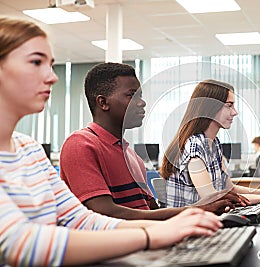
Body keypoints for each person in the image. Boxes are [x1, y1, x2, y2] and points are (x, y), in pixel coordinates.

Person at [0, 17, 222, 266]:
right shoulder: (80, 144)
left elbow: (82, 220)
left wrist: (176, 224)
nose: (52, 77)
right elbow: (20, 243)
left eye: (51, 65)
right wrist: (150, 235)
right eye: (36, 62)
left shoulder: (30, 151)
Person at [60, 62, 246, 220]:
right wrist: (197, 211)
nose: (141, 102)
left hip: (147, 243)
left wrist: (205, 210)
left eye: (140, 95)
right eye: (132, 95)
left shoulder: (131, 156)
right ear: (103, 102)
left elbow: (153, 211)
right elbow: (104, 213)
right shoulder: (80, 145)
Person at [160, 80, 260, 207]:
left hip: (206, 222)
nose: (235, 112)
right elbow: (212, 199)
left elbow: (230, 190)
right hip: (187, 229)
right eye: (229, 105)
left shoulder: (213, 144)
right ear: (210, 108)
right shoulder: (194, 146)